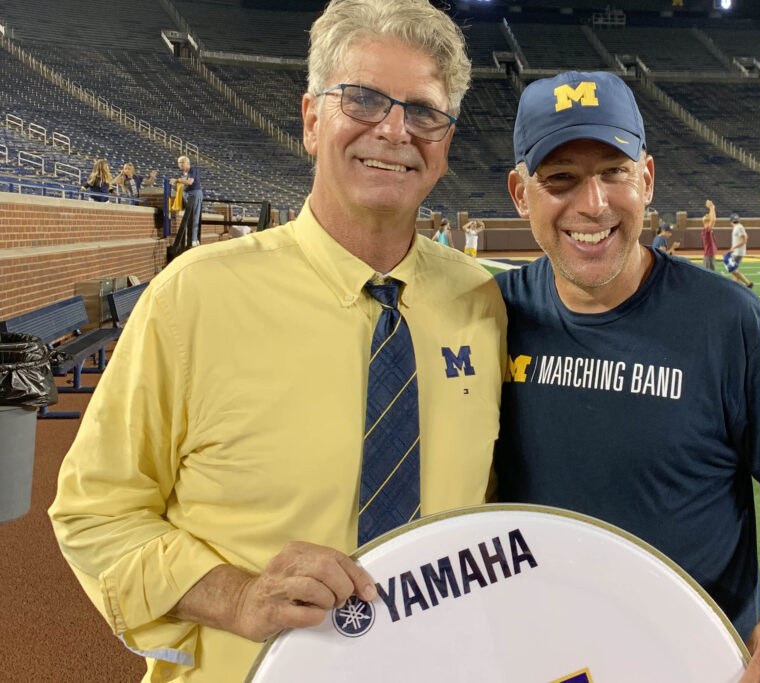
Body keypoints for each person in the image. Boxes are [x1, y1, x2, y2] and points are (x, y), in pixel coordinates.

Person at [48, 2, 506, 681]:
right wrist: (235, 596)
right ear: (311, 118)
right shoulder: (194, 298)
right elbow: (95, 513)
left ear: (445, 138)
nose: (393, 129)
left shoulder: (484, 304)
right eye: (363, 99)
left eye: (424, 110)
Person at [495, 70, 760, 683]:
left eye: (613, 172)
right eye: (561, 178)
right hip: (543, 659)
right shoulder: (487, 316)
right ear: (521, 193)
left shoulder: (727, 320)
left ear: (646, 179)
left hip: (697, 663)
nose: (592, 204)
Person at [171, 156, 203, 247]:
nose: (180, 164)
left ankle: (194, 239)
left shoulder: (193, 169)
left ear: (188, 163)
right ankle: (190, 239)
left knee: (194, 216)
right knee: (188, 217)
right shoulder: (184, 173)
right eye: (179, 162)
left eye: (182, 162)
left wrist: (177, 180)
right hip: (187, 194)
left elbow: (189, 182)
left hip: (194, 193)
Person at [724, 212, 754, 288]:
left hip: (738, 252)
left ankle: (748, 283)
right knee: (734, 270)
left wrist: (734, 247)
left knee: (732, 270)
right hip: (737, 252)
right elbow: (746, 237)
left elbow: (744, 240)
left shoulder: (739, 227)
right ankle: (735, 286)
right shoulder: (738, 227)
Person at [701, 199, 718, 271]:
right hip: (708, 256)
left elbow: (712, 219)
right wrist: (712, 207)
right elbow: (713, 220)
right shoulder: (706, 231)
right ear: (708, 222)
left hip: (710, 256)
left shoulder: (708, 231)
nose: (713, 224)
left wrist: (711, 208)